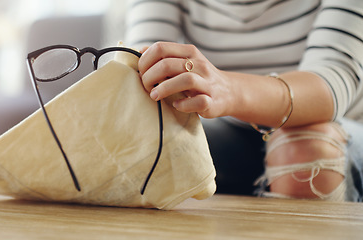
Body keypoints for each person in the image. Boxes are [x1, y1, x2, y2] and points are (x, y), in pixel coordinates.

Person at [124, 0, 363, 201]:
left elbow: (331, 84)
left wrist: (228, 90)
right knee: (143, 152)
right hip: (228, 129)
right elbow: (139, 68)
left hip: (337, 127)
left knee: (307, 151)